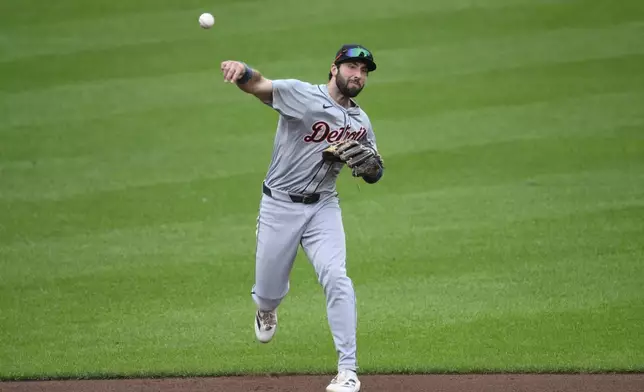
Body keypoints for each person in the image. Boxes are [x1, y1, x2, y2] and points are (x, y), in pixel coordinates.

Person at [220, 44, 384, 392]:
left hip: (324, 206)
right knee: (267, 292)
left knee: (336, 277)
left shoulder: (360, 121)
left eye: (364, 70)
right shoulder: (301, 96)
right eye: (352, 67)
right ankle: (266, 307)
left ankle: (348, 370)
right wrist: (241, 70)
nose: (358, 75)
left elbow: (374, 171)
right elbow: (259, 85)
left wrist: (370, 167)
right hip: (279, 206)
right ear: (334, 68)